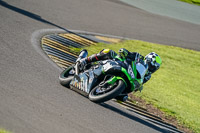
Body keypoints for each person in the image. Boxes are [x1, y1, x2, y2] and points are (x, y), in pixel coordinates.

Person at [78, 48, 162, 101]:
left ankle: (108, 89)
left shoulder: (147, 76)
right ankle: (85, 60)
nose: (151, 68)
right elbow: (128, 53)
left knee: (124, 97)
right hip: (120, 64)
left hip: (129, 80)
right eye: (151, 65)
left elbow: (140, 82)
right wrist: (125, 52)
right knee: (108, 52)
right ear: (147, 59)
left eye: (154, 68)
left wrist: (139, 86)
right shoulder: (138, 57)